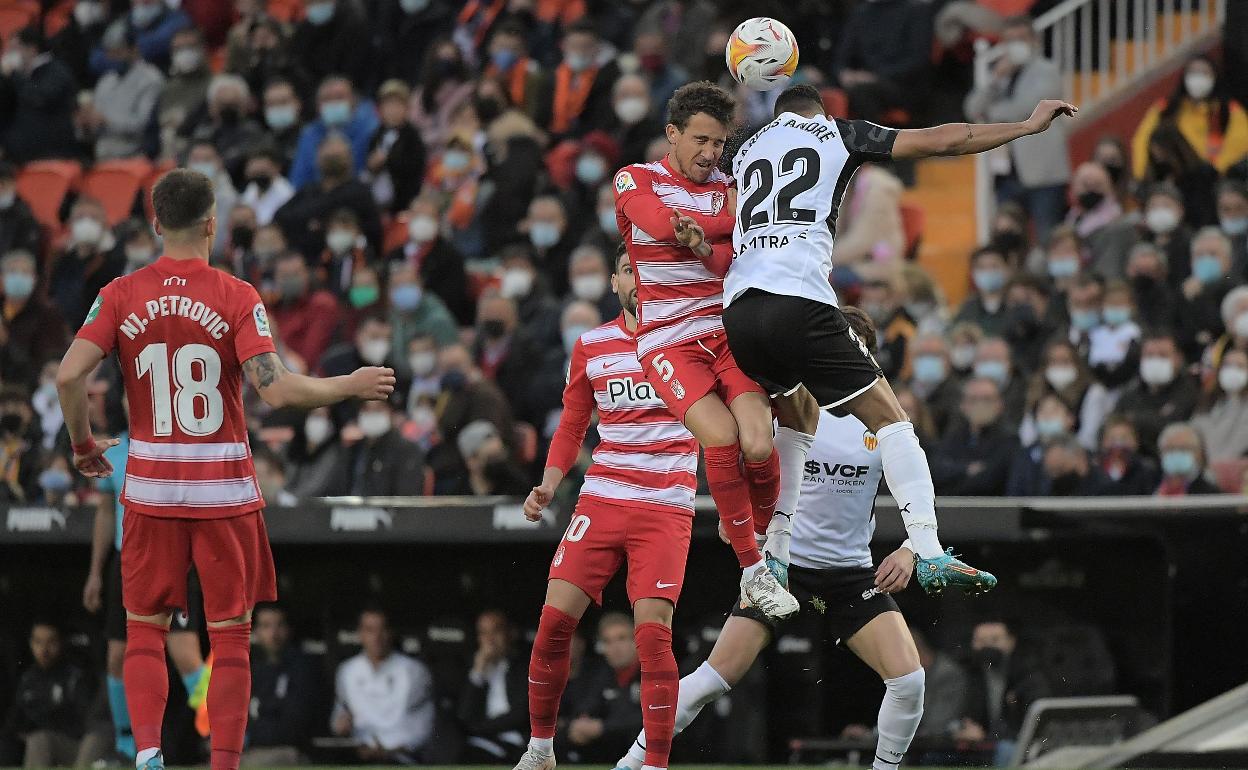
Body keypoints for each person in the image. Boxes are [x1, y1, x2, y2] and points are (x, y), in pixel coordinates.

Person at [56, 168, 395, 770]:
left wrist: (83, 443)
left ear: (156, 222)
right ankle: (226, 765)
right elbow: (278, 392)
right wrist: (349, 383)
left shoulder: (119, 293)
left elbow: (68, 374)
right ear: (213, 223)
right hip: (223, 491)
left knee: (144, 631)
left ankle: (149, 755)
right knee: (231, 635)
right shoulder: (236, 296)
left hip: (152, 490)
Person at [723, 83, 1062, 589]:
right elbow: (947, 140)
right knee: (893, 420)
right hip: (799, 299)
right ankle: (927, 547)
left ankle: (774, 552)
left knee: (797, 422)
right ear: (818, 112)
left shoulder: (744, 149)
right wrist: (1026, 126)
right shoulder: (836, 133)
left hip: (741, 312)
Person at [615, 307, 937, 770]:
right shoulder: (788, 406)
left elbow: (920, 493)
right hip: (783, 570)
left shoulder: (884, 419)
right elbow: (748, 462)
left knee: (909, 682)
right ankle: (631, 763)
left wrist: (909, 549)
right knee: (712, 677)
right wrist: (739, 515)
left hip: (850, 572)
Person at [612, 81, 799, 618]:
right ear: (672, 134)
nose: (710, 154)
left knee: (760, 444)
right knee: (720, 437)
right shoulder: (635, 178)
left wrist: (705, 239)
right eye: (700, 140)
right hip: (669, 341)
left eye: (718, 143)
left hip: (726, 333)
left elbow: (727, 257)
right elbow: (655, 224)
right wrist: (704, 232)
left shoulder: (729, 184)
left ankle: (754, 535)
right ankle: (753, 570)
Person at [511, 248, 701, 770]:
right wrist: (549, 484)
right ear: (615, 282)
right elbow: (574, 423)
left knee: (652, 637)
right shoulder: (593, 344)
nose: (637, 277)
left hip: (665, 507)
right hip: (602, 498)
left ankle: (657, 763)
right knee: (552, 624)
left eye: (646, 267)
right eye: (627, 269)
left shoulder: (695, 338)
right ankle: (541, 748)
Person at [84, 421, 213, 757]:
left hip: (174, 558)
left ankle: (220, 732)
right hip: (126, 560)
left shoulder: (182, 445)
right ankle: (128, 744)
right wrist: (95, 572)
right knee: (118, 656)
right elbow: (104, 512)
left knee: (185, 653)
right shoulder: (115, 447)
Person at [963, 15, 1070, 238]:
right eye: (1009, 40)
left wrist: (991, 113)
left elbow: (1028, 109)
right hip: (1007, 175)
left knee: (1047, 237)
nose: (1015, 45)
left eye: (1021, 39)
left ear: (1034, 40)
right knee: (1008, 239)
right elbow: (972, 108)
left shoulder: (1047, 70)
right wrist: (994, 79)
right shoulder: (1001, 74)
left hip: (1042, 174)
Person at [331, 607, 435, 764]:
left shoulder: (414, 671)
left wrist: (391, 751)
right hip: (358, 756)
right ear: (360, 634)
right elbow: (339, 716)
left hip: (401, 757)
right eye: (370, 630)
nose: (377, 637)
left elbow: (423, 727)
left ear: (391, 632)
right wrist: (341, 726)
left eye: (382, 629)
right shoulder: (347, 671)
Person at [1, 621, 104, 768]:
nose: (44, 649)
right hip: (34, 744)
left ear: (61, 642)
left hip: (76, 747)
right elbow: (13, 723)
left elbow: (85, 723)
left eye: (51, 642)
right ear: (31, 644)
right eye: (38, 642)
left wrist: (45, 718)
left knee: (40, 740)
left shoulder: (75, 677)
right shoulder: (28, 680)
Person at [1131, 54, 1248, 178]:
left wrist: (1217, 175)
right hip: (1172, 181)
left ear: (1215, 77)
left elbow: (1240, 143)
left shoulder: (1229, 110)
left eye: (1204, 73)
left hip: (1215, 182)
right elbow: (1143, 140)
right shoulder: (1166, 108)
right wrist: (1142, 175)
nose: (1198, 78)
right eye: (1193, 72)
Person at [955, 620, 1051, 766]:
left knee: (1006, 750)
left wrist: (987, 736)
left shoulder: (1028, 673)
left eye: (994, 640)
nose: (987, 646)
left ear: (1011, 642)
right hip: (978, 746)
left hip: (1018, 744)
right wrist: (965, 728)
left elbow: (1033, 724)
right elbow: (964, 714)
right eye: (981, 641)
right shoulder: (970, 673)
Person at [559, 613, 644, 764]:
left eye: (622, 638)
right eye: (608, 641)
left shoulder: (651, 673)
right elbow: (588, 704)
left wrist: (603, 728)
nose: (615, 648)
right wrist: (583, 718)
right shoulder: (602, 674)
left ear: (637, 640)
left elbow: (644, 721)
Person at [241, 605, 319, 767]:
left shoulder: (303, 669)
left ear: (289, 629)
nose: (274, 634)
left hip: (288, 752)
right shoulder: (248, 670)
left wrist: (249, 735)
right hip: (248, 752)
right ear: (255, 632)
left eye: (280, 625)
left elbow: (294, 728)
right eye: (266, 626)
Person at [0, 26, 78, 163]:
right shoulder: (20, 77)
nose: (9, 55)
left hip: (51, 153)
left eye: (15, 49)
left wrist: (14, 75)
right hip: (18, 155)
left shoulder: (55, 71)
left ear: (31, 49)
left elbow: (40, 98)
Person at [87, 22, 165, 160]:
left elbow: (143, 125)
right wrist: (85, 122)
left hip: (135, 157)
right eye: (109, 52)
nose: (113, 57)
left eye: (118, 51)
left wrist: (107, 121)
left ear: (134, 49)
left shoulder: (150, 78)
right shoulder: (105, 81)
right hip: (102, 158)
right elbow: (94, 128)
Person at [458, 610, 529, 762]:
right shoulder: (474, 668)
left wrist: (480, 728)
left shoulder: (525, 666)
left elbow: (522, 714)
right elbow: (464, 716)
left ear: (510, 633)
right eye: (484, 633)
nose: (490, 640)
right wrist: (478, 672)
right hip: (480, 741)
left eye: (496, 631)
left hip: (515, 741)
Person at [931, 377, 1019, 496]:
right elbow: (936, 471)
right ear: (963, 405)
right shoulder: (953, 437)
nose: (980, 405)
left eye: (987, 399)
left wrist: (953, 480)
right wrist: (967, 469)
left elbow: (990, 481)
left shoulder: (1010, 440)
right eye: (973, 400)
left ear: (1000, 404)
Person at [1114, 332, 1200, 452]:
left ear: (1178, 359)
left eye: (1163, 355)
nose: (1155, 361)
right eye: (1149, 356)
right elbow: (1114, 425)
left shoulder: (1190, 391)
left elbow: (1171, 426)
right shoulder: (1130, 393)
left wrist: (1133, 419)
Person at [2, 249, 69, 389]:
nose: (18, 277)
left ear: (35, 279)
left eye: (25, 272)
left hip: (27, 391)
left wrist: (6, 344)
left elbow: (46, 366)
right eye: (12, 271)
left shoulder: (48, 315)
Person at [340, 399, 427, 496]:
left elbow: (407, 497)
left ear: (391, 412)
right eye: (366, 409)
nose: (371, 415)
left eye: (378, 409)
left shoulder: (407, 450)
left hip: (386, 509)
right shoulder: (355, 448)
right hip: (350, 508)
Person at [365, 79, 427, 215]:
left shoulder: (413, 138)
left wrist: (388, 160)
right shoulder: (376, 135)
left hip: (403, 205)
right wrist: (372, 166)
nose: (392, 110)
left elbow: (414, 171)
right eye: (388, 104)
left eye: (398, 104)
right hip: (377, 204)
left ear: (407, 108)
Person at [1154, 421, 1221, 496]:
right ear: (1160, 453)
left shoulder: (1212, 495)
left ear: (1199, 454)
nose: (1177, 454)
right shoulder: (1148, 484)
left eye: (1184, 449)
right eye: (1170, 449)